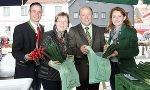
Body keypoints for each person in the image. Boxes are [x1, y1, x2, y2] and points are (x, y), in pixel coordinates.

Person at [68, 6, 105, 90]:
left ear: (92, 15)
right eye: (83, 15)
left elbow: (103, 48)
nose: (86, 17)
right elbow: (70, 50)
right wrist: (79, 50)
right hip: (80, 71)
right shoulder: (73, 30)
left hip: (96, 71)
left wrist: (106, 48)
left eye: (88, 14)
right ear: (80, 16)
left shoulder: (99, 30)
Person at [12, 2, 44, 90]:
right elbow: (15, 52)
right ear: (29, 12)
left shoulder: (42, 28)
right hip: (24, 72)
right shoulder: (20, 28)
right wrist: (25, 56)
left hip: (39, 73)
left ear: (41, 14)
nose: (37, 14)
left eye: (39, 12)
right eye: (34, 11)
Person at [107, 7, 139, 90]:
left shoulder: (131, 31)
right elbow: (110, 47)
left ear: (124, 17)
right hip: (112, 67)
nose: (116, 19)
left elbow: (135, 51)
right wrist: (106, 48)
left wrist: (118, 53)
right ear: (111, 18)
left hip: (126, 68)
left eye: (119, 16)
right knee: (114, 88)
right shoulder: (111, 31)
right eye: (114, 16)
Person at [38, 12, 70, 90]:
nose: (62, 24)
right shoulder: (47, 35)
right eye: (59, 21)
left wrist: (70, 58)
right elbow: (40, 54)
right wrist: (48, 62)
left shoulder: (68, 37)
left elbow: (69, 53)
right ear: (55, 22)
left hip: (62, 75)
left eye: (65, 21)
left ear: (68, 24)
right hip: (48, 75)